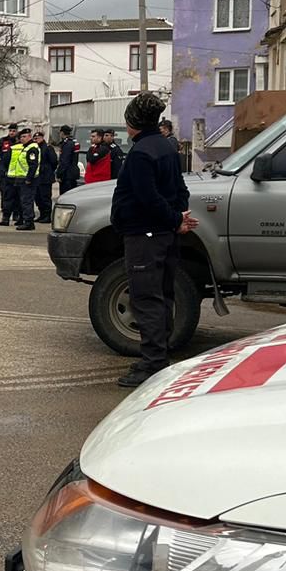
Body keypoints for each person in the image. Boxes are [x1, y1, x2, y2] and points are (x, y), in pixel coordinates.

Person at [111, 92, 196, 388]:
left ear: (133, 121)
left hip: (145, 236)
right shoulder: (166, 147)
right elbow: (179, 188)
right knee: (162, 295)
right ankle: (158, 356)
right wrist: (179, 217)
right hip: (163, 235)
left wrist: (175, 219)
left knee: (146, 298)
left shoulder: (141, 153)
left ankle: (153, 364)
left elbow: (147, 197)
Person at [7, 126, 40, 230]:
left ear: (29, 137)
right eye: (21, 137)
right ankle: (26, 220)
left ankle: (29, 222)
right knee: (24, 200)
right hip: (22, 179)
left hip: (28, 180)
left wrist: (29, 179)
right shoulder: (26, 147)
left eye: (24, 137)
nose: (22, 139)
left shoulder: (32, 148)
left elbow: (33, 165)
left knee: (27, 201)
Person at [0, 123, 19, 226]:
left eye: (14, 131)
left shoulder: (19, 142)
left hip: (17, 174)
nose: (12, 133)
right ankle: (5, 217)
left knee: (17, 196)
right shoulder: (3, 141)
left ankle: (16, 214)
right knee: (6, 195)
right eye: (10, 131)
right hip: (5, 174)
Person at [33, 128, 58, 223]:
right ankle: (42, 214)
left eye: (38, 138)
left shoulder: (48, 148)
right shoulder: (34, 148)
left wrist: (49, 170)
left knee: (45, 197)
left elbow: (54, 161)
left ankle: (47, 215)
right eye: (35, 138)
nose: (36, 140)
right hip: (37, 177)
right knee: (38, 197)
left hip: (45, 177)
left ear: (42, 138)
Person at [57, 125, 80, 195]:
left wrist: (59, 174)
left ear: (62, 133)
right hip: (72, 173)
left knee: (65, 195)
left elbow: (64, 161)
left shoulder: (67, 144)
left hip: (67, 175)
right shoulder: (74, 142)